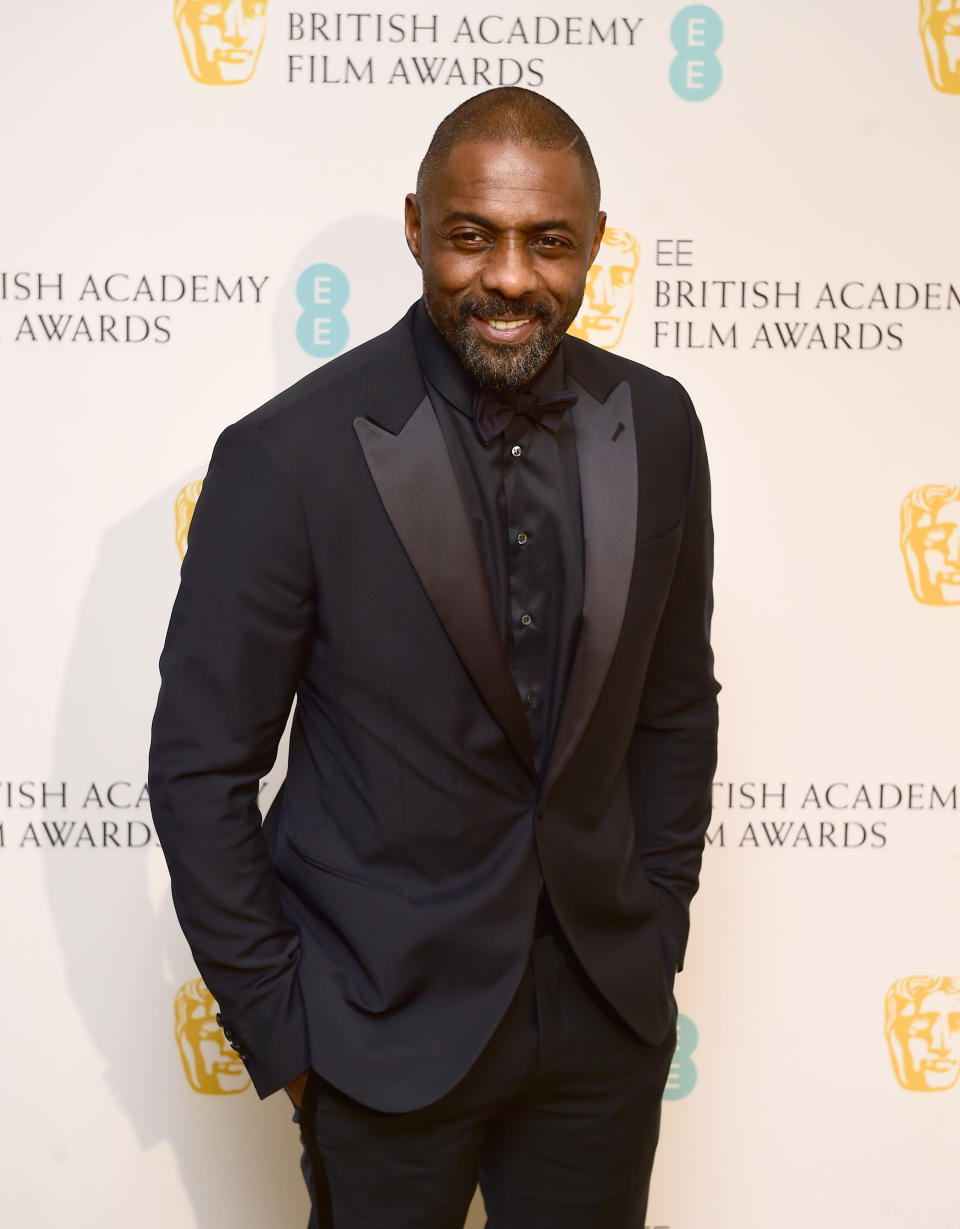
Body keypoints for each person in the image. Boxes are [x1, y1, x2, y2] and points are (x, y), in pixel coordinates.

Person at [149, 86, 719, 1228]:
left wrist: (654, 931)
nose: (510, 276)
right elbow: (198, 770)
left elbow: (674, 705)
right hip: (377, 1026)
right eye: (473, 235)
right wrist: (288, 1024)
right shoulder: (287, 455)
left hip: (601, 1025)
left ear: (597, 244)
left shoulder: (658, 423)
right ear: (417, 227)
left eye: (548, 240)